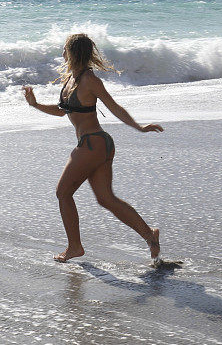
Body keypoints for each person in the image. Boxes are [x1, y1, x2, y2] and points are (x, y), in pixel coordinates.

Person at [22, 33, 164, 262]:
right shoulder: (71, 80)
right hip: (96, 145)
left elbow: (114, 107)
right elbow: (62, 111)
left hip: (93, 144)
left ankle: (75, 247)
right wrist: (35, 104)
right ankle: (150, 236)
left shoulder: (89, 80)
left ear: (73, 52)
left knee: (63, 192)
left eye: (65, 49)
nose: (62, 53)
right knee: (106, 198)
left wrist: (139, 127)